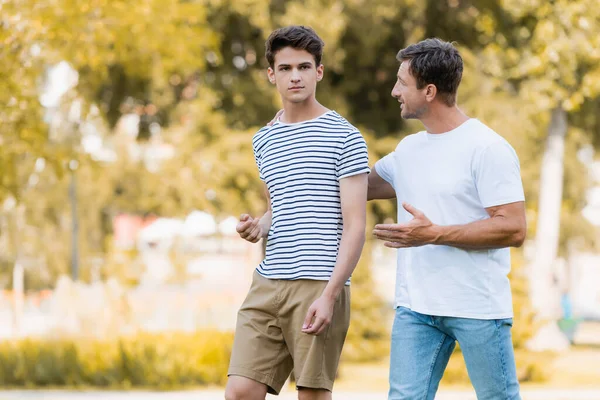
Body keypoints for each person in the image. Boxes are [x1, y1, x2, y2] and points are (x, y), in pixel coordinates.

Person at [367, 38, 527, 400]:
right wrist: (299, 132)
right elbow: (354, 186)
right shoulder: (407, 150)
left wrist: (434, 234)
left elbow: (514, 227)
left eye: (401, 83)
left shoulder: (487, 148)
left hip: (477, 308)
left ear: (429, 91)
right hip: (416, 309)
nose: (394, 91)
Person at [225, 25, 370, 400]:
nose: (295, 77)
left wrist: (330, 294)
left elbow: (355, 227)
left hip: (318, 282)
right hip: (268, 282)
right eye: (286, 68)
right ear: (271, 74)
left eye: (304, 67)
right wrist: (259, 226)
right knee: (240, 391)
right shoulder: (263, 139)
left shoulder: (345, 136)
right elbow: (281, 206)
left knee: (311, 396)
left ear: (319, 72)